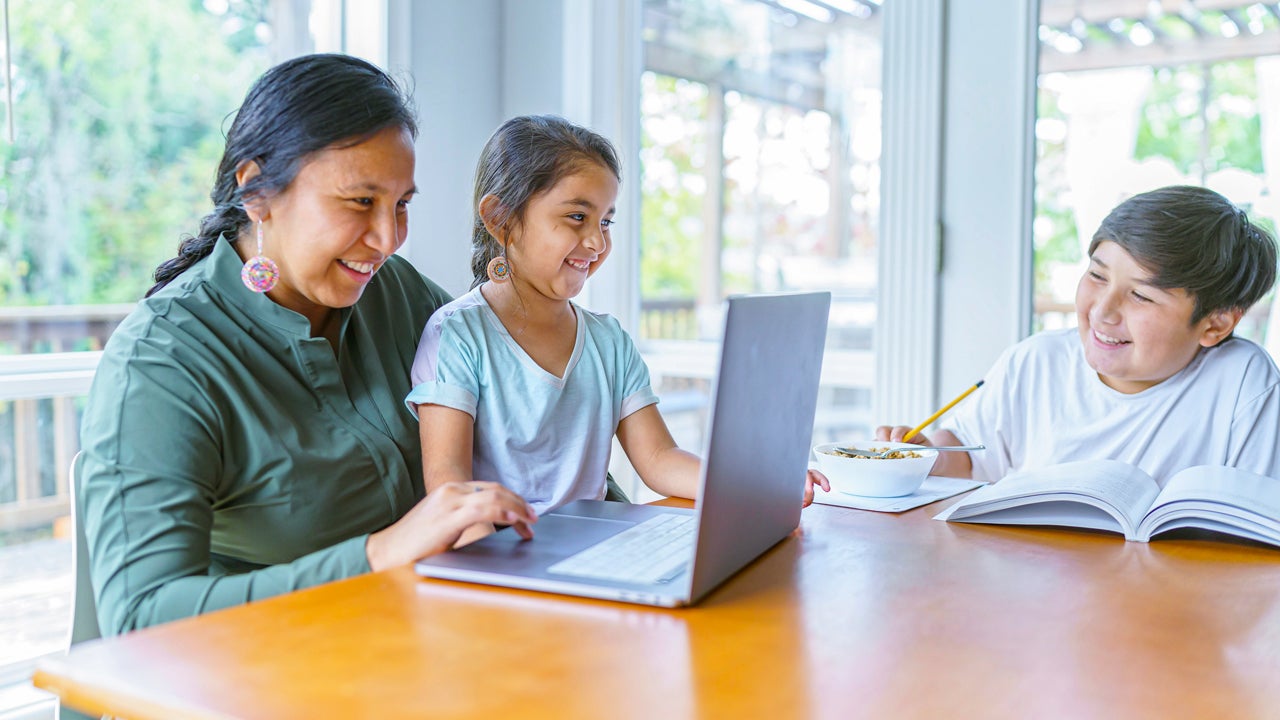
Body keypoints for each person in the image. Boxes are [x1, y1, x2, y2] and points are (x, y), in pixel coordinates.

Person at [78, 54, 537, 636]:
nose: (388, 239)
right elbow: (140, 618)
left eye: (401, 205)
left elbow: (528, 416)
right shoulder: (161, 362)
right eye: (359, 201)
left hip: (429, 642)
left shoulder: (397, 294)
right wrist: (379, 554)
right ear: (257, 193)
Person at [406, 115, 826, 541]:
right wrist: (494, 580)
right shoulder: (458, 335)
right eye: (576, 217)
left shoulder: (608, 342)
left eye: (605, 221)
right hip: (504, 562)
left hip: (594, 550)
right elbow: (450, 490)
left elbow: (659, 458)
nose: (596, 243)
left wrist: (758, 484)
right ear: (501, 219)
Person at [876, 185, 1280, 484]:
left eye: (1140, 295)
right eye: (1096, 275)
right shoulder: (1036, 362)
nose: (1103, 310)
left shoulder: (1243, 383)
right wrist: (927, 455)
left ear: (1216, 324)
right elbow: (968, 455)